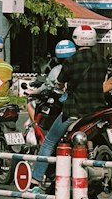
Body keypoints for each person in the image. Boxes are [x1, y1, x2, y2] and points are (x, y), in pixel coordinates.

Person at [28, 38, 77, 189]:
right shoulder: (90, 65)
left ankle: (35, 180)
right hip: (92, 109)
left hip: (69, 110)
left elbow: (48, 86)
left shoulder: (59, 70)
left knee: (49, 141)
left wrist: (33, 91)